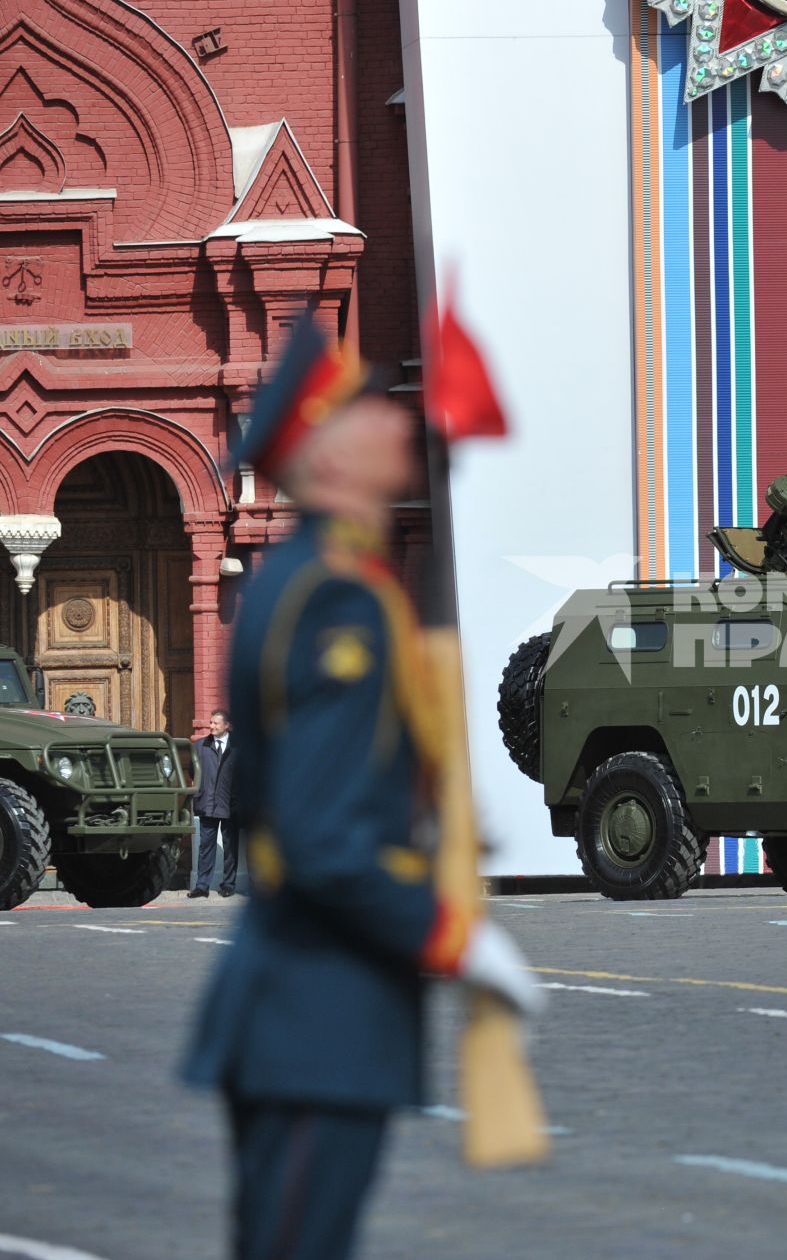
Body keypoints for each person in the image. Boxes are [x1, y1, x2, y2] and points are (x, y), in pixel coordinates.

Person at [182, 312, 542, 1260]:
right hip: (319, 1016)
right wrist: (449, 934)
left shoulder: (319, 580)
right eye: (366, 412)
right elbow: (322, 834)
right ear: (327, 459)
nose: (394, 423)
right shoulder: (336, 597)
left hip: (311, 1012)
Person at [189, 709, 240, 899]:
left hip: (230, 805)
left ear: (227, 726)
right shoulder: (200, 746)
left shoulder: (238, 747)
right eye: (210, 723)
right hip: (208, 804)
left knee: (230, 847)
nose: (211, 726)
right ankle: (202, 886)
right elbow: (193, 771)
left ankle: (228, 884)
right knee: (206, 846)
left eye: (216, 723)